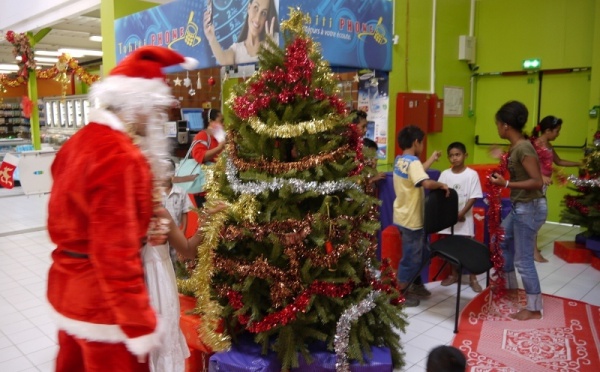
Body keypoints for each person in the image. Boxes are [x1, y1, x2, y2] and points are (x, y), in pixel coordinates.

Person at [46, 46, 198, 371]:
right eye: (154, 109)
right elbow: (113, 254)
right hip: (102, 309)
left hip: (67, 291)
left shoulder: (77, 143)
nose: (158, 118)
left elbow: (70, 220)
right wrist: (139, 323)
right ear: (137, 103)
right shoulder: (120, 157)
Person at [144, 202, 227, 371]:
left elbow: (188, 250)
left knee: (164, 344)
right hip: (136, 291)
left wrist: (207, 221)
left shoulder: (159, 212)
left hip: (161, 289)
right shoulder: (118, 216)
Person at [489, 100, 546, 321]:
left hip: (529, 208)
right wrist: (500, 157)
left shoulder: (523, 147)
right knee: (501, 238)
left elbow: (537, 181)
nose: (497, 128)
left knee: (524, 260)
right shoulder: (516, 147)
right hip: (520, 206)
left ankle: (533, 308)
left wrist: (505, 185)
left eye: (497, 124)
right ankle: (510, 286)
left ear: (505, 125)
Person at [393, 125, 449, 307]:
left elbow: (417, 174)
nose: (423, 146)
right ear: (416, 142)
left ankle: (414, 284)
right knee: (411, 257)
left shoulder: (400, 160)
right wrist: (440, 185)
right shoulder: (413, 163)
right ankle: (400, 293)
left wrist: (432, 158)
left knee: (420, 253)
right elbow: (425, 182)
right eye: (422, 142)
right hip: (411, 220)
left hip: (402, 217)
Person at [530, 115, 582, 262]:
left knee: (540, 216)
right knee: (536, 216)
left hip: (543, 186)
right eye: (557, 131)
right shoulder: (536, 144)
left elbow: (558, 161)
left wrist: (578, 164)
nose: (558, 134)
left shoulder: (548, 145)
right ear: (547, 130)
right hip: (535, 185)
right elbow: (527, 164)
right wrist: (540, 176)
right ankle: (533, 251)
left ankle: (530, 245)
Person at [437, 142, 484, 292]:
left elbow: (474, 197)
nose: (454, 158)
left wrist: (462, 214)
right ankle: (453, 274)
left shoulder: (471, 174)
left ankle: (472, 277)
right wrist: (451, 215)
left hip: (465, 218)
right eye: (451, 155)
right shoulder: (445, 174)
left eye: (457, 155)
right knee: (451, 247)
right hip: (449, 218)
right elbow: (440, 196)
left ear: (465, 155)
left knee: (468, 247)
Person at [203, 0, 279, 65]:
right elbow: (223, 60)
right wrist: (212, 38)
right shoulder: (237, 50)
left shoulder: (274, 40)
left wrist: (271, 53)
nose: (257, 19)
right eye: (256, 7)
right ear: (249, 8)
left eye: (263, 13)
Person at [189, 108, 226, 206]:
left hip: (219, 187)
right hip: (204, 191)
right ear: (211, 122)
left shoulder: (220, 138)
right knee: (207, 220)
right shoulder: (202, 136)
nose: (224, 125)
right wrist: (219, 148)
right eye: (221, 121)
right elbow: (199, 156)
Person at [162, 159, 194, 266]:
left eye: (169, 171)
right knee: (163, 261)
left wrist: (183, 231)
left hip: (176, 234)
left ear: (173, 172)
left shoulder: (181, 192)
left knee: (176, 261)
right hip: (161, 235)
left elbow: (185, 212)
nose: (165, 174)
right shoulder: (156, 193)